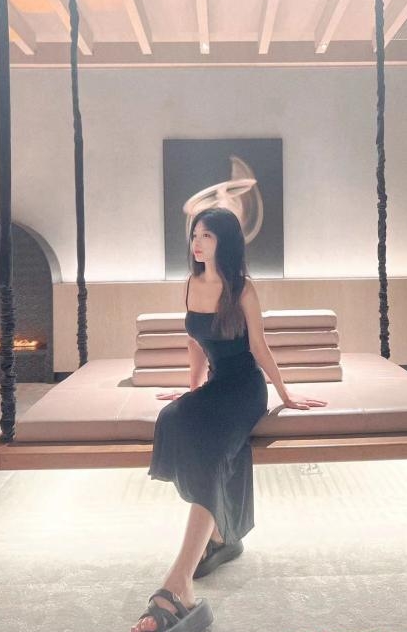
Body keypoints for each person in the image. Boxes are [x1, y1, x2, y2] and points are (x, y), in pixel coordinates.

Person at [131, 208, 327, 632]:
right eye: (194, 235)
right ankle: (219, 537)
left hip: (244, 391)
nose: (197, 244)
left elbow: (259, 347)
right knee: (173, 416)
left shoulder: (242, 288)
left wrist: (285, 394)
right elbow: (194, 343)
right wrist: (193, 390)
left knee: (212, 454)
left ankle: (177, 584)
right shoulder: (191, 284)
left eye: (207, 236)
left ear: (226, 242)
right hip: (216, 385)